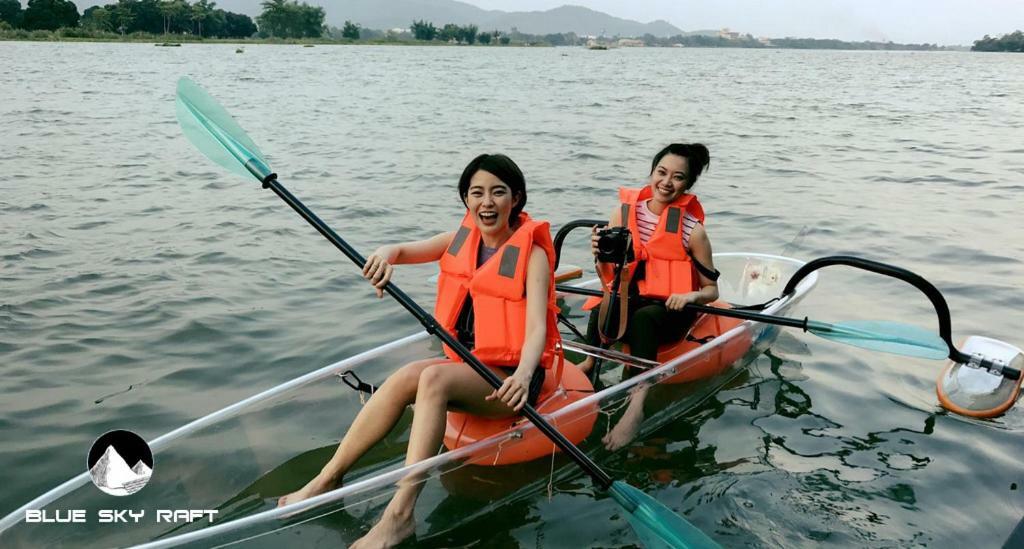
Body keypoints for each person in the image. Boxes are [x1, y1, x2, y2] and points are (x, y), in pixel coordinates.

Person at [277, 154, 564, 549]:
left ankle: (400, 514)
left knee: (431, 377)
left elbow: (535, 328)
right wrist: (384, 254)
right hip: (471, 368)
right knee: (405, 376)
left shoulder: (533, 255)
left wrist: (523, 372)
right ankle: (328, 477)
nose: (487, 202)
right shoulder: (459, 240)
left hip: (514, 380)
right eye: (476, 193)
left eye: (498, 192)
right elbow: (402, 250)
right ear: (466, 199)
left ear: (516, 198)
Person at [581, 143, 720, 450]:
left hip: (672, 310)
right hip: (634, 298)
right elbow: (612, 271)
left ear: (688, 184)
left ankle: (636, 404)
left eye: (678, 177)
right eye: (661, 172)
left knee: (645, 318)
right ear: (652, 171)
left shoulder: (692, 231)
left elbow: (712, 290)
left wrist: (689, 295)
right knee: (603, 305)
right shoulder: (623, 213)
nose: (666, 182)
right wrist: (598, 251)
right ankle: (589, 367)